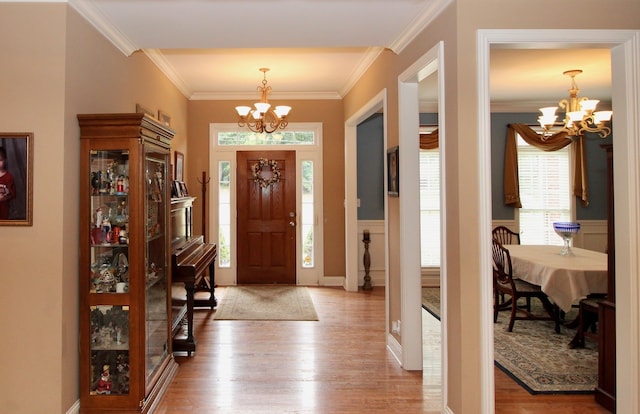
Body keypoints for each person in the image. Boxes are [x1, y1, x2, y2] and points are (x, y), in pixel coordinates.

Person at [0, 147, 16, 219]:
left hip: (4, 209)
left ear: (5, 161)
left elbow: (13, 194)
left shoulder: (9, 177)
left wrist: (4, 198)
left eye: (0, 160)